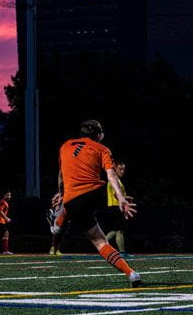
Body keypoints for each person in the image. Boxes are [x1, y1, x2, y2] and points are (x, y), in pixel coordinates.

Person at [52, 119, 141, 287]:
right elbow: (111, 176)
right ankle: (131, 273)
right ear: (99, 135)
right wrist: (121, 198)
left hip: (72, 199)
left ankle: (57, 223)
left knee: (97, 240)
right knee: (101, 240)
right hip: (94, 195)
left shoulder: (65, 146)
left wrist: (60, 193)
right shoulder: (102, 148)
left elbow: (61, 175)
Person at [104, 161, 131, 258]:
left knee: (115, 230)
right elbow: (116, 194)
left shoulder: (117, 180)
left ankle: (102, 245)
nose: (122, 171)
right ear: (115, 169)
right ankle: (122, 252)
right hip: (115, 207)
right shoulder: (114, 180)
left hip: (115, 207)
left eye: (123, 169)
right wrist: (125, 199)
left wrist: (126, 197)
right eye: (120, 169)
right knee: (120, 230)